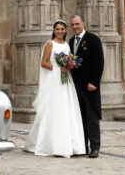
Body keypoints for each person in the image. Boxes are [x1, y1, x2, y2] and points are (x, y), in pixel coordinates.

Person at [23, 20, 86, 158]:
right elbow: (44, 63)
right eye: (57, 29)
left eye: (62, 29)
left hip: (65, 81)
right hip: (54, 81)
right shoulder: (50, 44)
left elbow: (70, 61)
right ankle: (48, 144)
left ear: (65, 30)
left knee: (66, 108)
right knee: (55, 109)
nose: (60, 31)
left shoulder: (67, 44)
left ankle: (70, 144)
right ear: (54, 30)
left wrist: (68, 66)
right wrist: (58, 68)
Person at [69, 14, 104, 158]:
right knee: (80, 117)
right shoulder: (71, 41)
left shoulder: (93, 39)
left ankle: (95, 147)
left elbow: (99, 62)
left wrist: (94, 82)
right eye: (73, 25)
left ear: (83, 24)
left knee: (92, 117)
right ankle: (83, 146)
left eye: (77, 24)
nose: (75, 27)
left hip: (90, 86)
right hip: (76, 86)